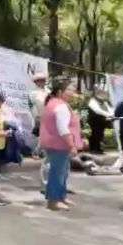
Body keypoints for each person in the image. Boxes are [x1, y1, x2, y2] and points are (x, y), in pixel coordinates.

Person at [39, 78, 81, 211]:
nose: (72, 92)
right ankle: (53, 201)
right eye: (69, 89)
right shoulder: (60, 106)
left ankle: (61, 196)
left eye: (73, 89)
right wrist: (71, 145)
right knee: (57, 173)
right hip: (59, 144)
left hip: (55, 144)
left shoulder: (54, 103)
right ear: (60, 91)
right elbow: (63, 129)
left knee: (62, 172)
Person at [86, 88, 114, 154]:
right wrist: (108, 114)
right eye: (103, 94)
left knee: (100, 135)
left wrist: (111, 114)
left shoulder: (104, 102)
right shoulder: (92, 101)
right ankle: (93, 149)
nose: (105, 95)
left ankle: (98, 149)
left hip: (102, 121)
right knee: (95, 134)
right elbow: (97, 110)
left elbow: (109, 109)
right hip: (95, 121)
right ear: (98, 94)